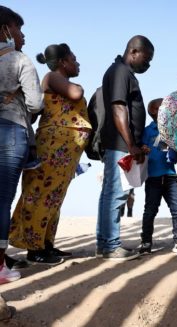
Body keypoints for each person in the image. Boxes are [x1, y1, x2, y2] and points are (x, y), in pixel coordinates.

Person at [10, 43, 91, 265]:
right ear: (63, 62)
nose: (77, 63)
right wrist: (78, 85)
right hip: (53, 148)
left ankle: (46, 244)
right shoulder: (52, 77)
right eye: (74, 59)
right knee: (41, 194)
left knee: (54, 196)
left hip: (63, 151)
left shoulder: (57, 79)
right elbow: (76, 93)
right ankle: (33, 248)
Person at [96, 35, 153, 260]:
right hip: (121, 144)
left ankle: (105, 243)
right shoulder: (120, 71)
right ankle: (110, 245)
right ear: (133, 52)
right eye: (146, 60)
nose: (147, 65)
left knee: (110, 193)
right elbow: (119, 108)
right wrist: (131, 145)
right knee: (117, 194)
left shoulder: (121, 71)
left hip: (120, 143)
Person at [0, 5, 42, 283]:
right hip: (12, 131)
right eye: (18, 28)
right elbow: (35, 103)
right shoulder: (19, 59)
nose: (22, 35)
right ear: (5, 29)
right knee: (2, 199)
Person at [138, 98, 177, 254]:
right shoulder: (147, 131)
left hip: (170, 175)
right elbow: (139, 148)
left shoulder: (172, 128)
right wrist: (142, 148)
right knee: (150, 211)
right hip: (153, 178)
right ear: (153, 111)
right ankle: (145, 242)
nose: (167, 110)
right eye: (163, 107)